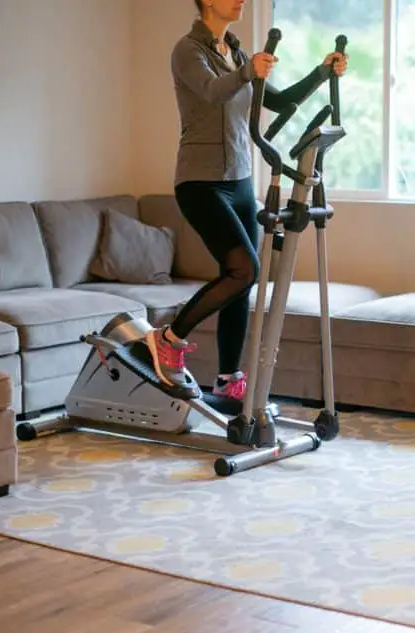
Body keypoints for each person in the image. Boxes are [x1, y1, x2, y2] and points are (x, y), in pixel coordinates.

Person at [145, 0, 348, 402]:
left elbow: (280, 100)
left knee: (241, 281)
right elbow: (212, 91)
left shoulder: (236, 52)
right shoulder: (187, 50)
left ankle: (227, 378)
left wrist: (323, 72)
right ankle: (167, 337)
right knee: (244, 269)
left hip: (239, 179)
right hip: (200, 183)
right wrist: (246, 71)